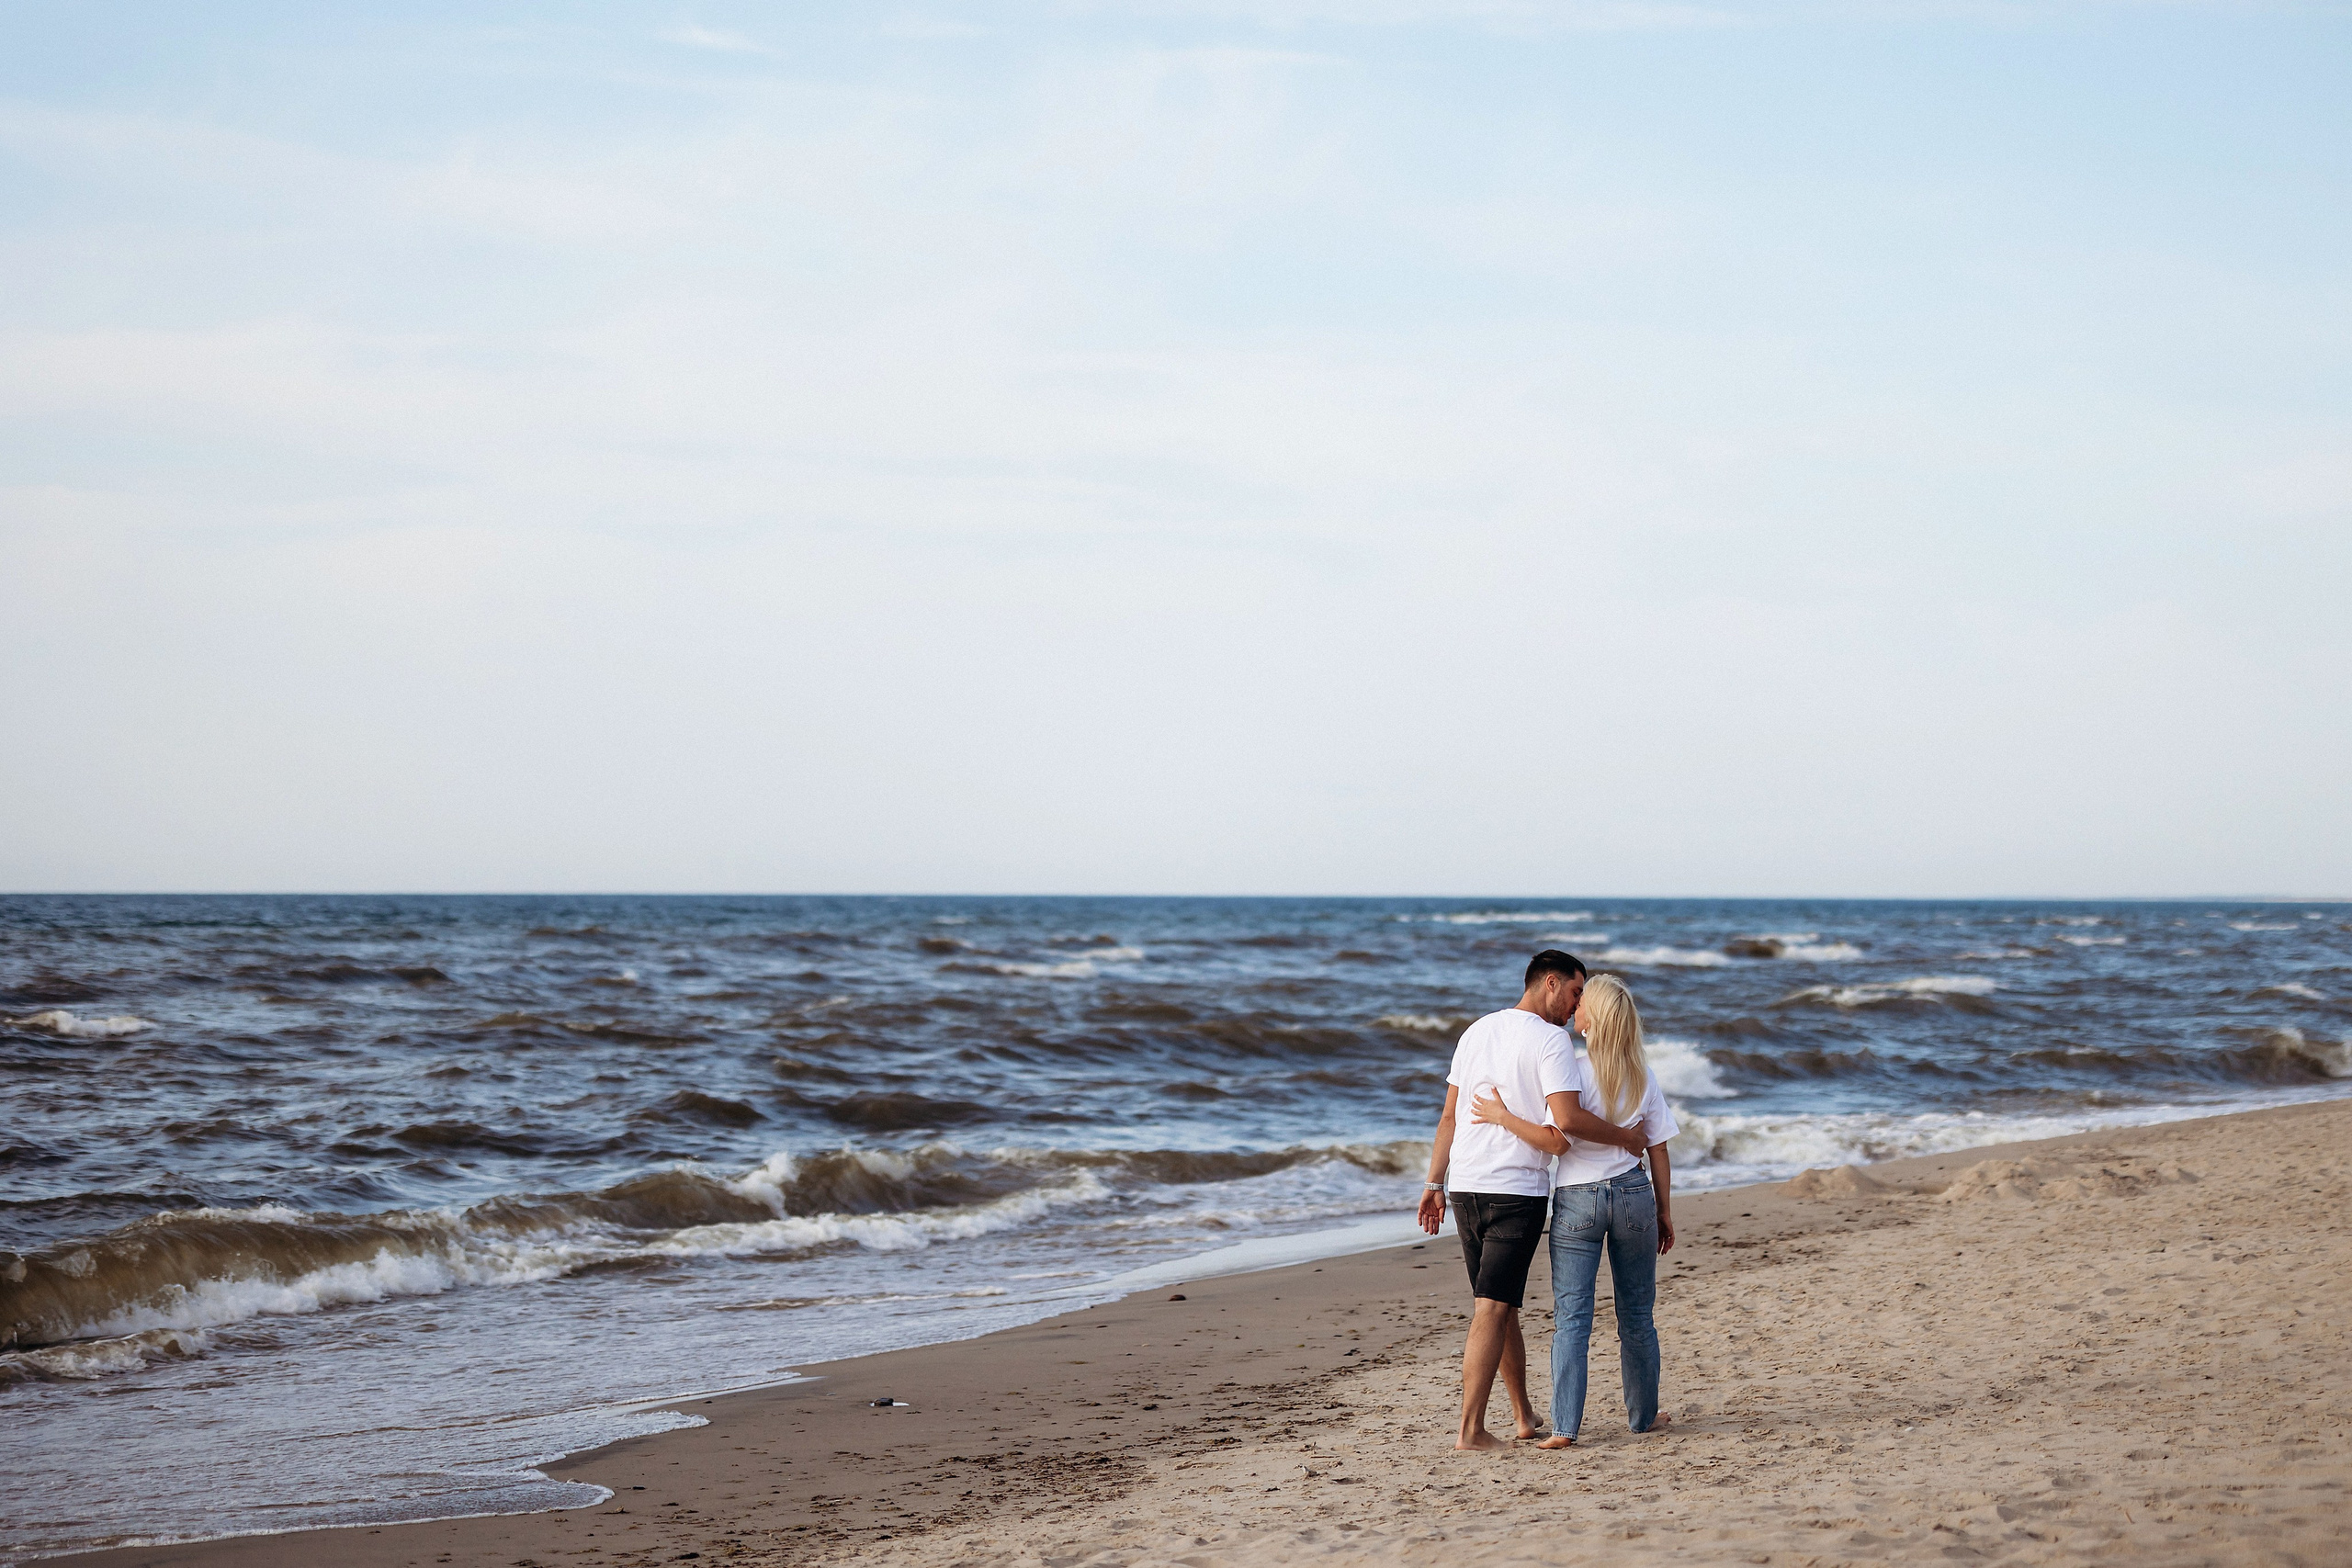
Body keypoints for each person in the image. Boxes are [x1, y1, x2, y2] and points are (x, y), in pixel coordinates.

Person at [1417, 951, 1650, 1451]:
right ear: (1550, 983)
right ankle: (1471, 1430)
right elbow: (1565, 1124)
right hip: (1514, 1190)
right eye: (1574, 992)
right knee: (1493, 1307)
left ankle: (1523, 1415)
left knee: (1502, 1306)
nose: (1576, 1005)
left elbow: (1448, 1117)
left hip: (1466, 1188)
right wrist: (1626, 1139)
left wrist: (1435, 1184)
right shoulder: (1551, 1039)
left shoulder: (1476, 1031)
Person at [1474, 972, 1678, 1449]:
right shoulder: (1641, 1075)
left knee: (1572, 1318)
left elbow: (1559, 1137)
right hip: (1633, 1195)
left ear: (1593, 1020)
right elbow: (1659, 1149)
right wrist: (1665, 1211)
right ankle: (1643, 1417)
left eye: (1584, 1001)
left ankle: (1565, 1428)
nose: (1576, 1005)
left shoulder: (1573, 1073)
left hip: (1578, 1201)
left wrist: (1503, 1118)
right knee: (1637, 1315)